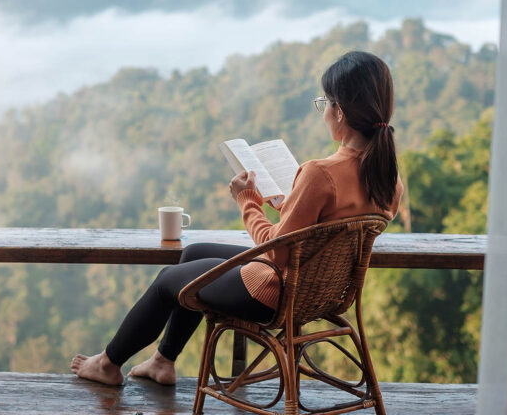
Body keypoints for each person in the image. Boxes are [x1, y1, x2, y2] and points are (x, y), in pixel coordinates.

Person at [70, 50, 403, 386]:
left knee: (169, 280)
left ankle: (107, 364)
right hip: (319, 291)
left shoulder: (321, 173)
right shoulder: (389, 181)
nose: (323, 111)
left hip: (276, 290)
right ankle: (162, 360)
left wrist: (248, 202)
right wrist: (290, 205)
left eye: (324, 103)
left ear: (340, 112)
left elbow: (278, 251)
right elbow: (326, 230)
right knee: (194, 253)